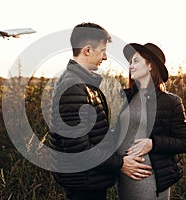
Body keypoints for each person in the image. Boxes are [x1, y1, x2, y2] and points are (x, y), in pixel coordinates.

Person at [48, 22, 127, 200]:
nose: (105, 57)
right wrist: (121, 164)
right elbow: (79, 150)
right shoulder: (73, 87)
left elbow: (93, 134)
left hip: (88, 179)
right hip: (83, 182)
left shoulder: (82, 83)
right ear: (88, 50)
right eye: (103, 50)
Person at [116, 43, 186, 199]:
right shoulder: (126, 97)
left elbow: (185, 142)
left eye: (136, 61)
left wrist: (153, 143)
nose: (131, 66)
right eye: (130, 62)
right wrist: (119, 163)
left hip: (148, 176)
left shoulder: (170, 101)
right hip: (124, 174)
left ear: (150, 65)